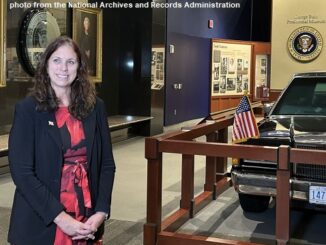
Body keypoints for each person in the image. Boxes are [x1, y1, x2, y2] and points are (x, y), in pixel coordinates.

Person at [8, 36, 116, 245]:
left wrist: (102, 211)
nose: (63, 68)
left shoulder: (96, 108)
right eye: (57, 60)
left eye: (71, 62)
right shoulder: (28, 110)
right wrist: (61, 218)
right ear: (46, 65)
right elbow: (22, 174)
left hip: (87, 219)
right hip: (42, 219)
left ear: (79, 67)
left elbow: (106, 166)